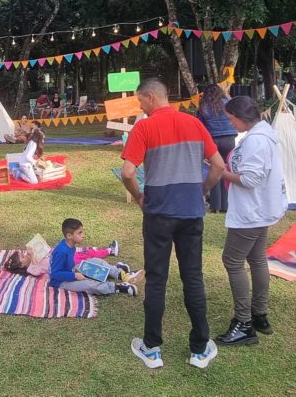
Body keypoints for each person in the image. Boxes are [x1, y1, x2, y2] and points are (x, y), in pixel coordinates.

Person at [120, 77, 227, 369]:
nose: (140, 107)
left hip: (158, 213)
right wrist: (202, 190)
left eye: (141, 101)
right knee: (193, 278)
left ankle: (152, 348)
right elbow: (219, 166)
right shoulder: (194, 124)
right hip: (191, 213)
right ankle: (200, 348)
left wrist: (139, 197)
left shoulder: (145, 126)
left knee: (157, 279)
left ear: (151, 98)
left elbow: (128, 172)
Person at [215, 96, 287, 346]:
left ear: (241, 116)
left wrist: (221, 173)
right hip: (261, 208)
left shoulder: (256, 141)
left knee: (232, 260)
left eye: (231, 118)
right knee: (256, 259)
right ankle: (259, 315)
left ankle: (244, 322)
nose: (230, 123)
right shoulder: (262, 135)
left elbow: (250, 179)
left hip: (252, 211)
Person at [47, 218, 138, 296]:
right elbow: (55, 274)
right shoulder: (61, 251)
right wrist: (74, 275)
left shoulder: (71, 245)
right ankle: (119, 287)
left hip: (72, 269)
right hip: (60, 282)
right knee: (89, 285)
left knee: (96, 261)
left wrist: (77, 271)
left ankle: (120, 274)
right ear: (69, 236)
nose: (83, 235)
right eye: (79, 233)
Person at [2, 236, 129, 279]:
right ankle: (114, 266)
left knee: (88, 253)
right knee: (88, 262)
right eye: (23, 256)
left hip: (64, 257)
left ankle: (110, 252)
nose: (26, 254)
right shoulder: (31, 269)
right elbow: (36, 270)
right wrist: (32, 255)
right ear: (21, 265)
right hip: (65, 264)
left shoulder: (36, 257)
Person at [195, 84, 235, 213]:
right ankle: (226, 204)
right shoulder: (229, 103)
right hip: (229, 140)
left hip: (213, 140)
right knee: (226, 169)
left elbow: (199, 125)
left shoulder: (204, 106)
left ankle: (215, 205)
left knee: (215, 169)